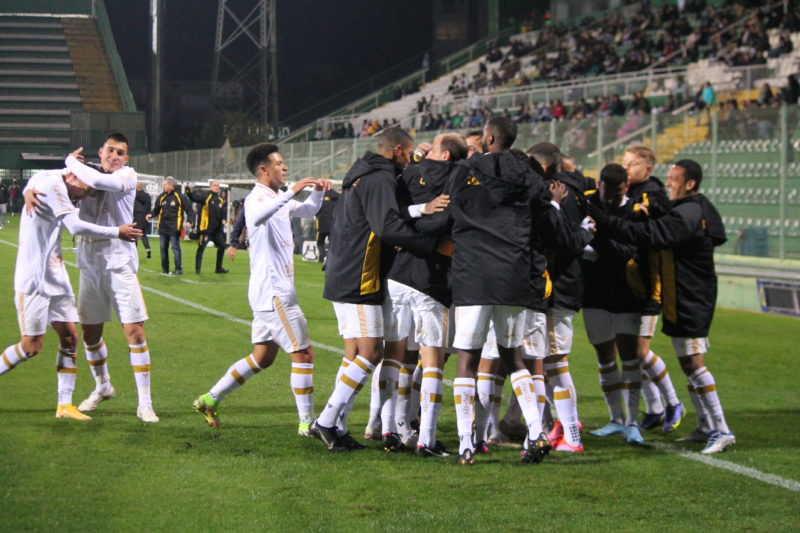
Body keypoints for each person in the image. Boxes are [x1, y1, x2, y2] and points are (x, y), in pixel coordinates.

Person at [590, 159, 735, 454]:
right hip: (684, 295)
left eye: (673, 179)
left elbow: (649, 235)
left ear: (690, 183)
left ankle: (722, 428)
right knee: (687, 361)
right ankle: (706, 425)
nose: (667, 183)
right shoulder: (693, 208)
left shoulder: (688, 214)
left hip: (691, 297)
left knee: (693, 363)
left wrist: (605, 221)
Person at [311, 127, 441, 452]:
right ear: (397, 150)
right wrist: (430, 245)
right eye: (408, 153)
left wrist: (419, 210)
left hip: (343, 272)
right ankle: (326, 421)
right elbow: (387, 226)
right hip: (359, 276)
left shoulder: (362, 173)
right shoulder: (379, 178)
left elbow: (380, 219)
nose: (410, 158)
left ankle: (337, 426)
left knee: (355, 354)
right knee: (371, 353)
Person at [193, 143, 329, 435]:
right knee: (303, 353)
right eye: (280, 164)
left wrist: (317, 191)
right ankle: (306, 424)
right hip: (274, 293)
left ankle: (209, 398)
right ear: (264, 170)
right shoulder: (257, 198)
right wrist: (292, 192)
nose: (285, 168)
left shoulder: (275, 196)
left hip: (270, 293)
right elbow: (254, 218)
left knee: (262, 357)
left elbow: (308, 210)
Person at [34, 134, 159, 423]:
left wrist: (68, 160)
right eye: (110, 150)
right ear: (100, 151)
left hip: (119, 261)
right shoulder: (83, 172)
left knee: (135, 332)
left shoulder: (127, 175)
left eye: (121, 152)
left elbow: (105, 183)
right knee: (90, 334)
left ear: (126, 158)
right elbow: (50, 178)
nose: (114, 156)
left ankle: (145, 403)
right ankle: (103, 387)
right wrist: (32, 188)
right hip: (89, 262)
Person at [2, 166, 141, 420]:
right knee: (31, 346)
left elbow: (42, 176)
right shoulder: (54, 187)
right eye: (85, 190)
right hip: (33, 278)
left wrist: (26, 189)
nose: (84, 196)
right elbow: (76, 227)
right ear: (74, 176)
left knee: (70, 337)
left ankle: (64, 406)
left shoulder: (50, 177)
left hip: (56, 273)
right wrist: (117, 231)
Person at [620, 145, 684, 433]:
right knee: (631, 352)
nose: (626, 167)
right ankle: (655, 408)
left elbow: (658, 220)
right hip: (630, 284)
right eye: (624, 162)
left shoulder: (653, 193)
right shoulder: (628, 193)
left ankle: (673, 402)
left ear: (647, 168)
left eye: (632, 163)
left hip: (650, 285)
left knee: (641, 351)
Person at [148, 177, 193, 275]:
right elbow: (156, 209)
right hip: (163, 227)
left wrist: (190, 220)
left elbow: (189, 209)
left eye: (165, 184)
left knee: (175, 247)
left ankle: (178, 269)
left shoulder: (180, 197)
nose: (163, 186)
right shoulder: (161, 197)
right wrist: (151, 214)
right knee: (163, 249)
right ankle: (165, 268)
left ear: (171, 186)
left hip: (174, 227)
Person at [188, 180, 228, 274]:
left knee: (222, 246)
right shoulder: (206, 196)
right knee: (201, 248)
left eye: (218, 185)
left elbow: (223, 211)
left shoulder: (220, 199)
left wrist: (224, 219)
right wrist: (189, 192)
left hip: (216, 231)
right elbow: (194, 198)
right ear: (210, 187)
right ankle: (197, 270)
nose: (216, 187)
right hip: (206, 229)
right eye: (214, 185)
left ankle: (218, 268)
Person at [315, 187, 339, 268]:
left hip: (322, 226)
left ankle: (325, 257)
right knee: (332, 244)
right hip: (333, 226)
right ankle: (331, 259)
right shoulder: (337, 200)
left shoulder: (321, 200)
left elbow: (316, 211)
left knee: (320, 243)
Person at [133, 182, 152, 259]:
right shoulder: (147, 196)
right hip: (144, 217)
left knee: (134, 234)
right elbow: (149, 206)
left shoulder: (134, 194)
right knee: (143, 234)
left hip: (136, 216)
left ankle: (133, 251)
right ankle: (148, 250)